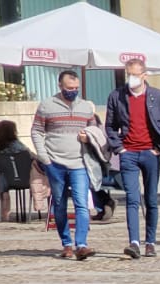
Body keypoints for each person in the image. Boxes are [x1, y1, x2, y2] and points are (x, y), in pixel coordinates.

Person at [104, 58, 160, 259]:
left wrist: (158, 149)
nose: (131, 79)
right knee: (132, 198)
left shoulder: (158, 96)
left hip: (149, 153)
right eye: (129, 75)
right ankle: (134, 242)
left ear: (144, 75)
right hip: (128, 154)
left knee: (151, 199)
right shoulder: (117, 96)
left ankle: (150, 242)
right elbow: (109, 126)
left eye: (135, 75)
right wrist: (119, 148)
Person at [31, 70, 98, 261]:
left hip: (79, 163)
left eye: (76, 88)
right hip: (55, 162)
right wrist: (44, 158)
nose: (73, 91)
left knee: (81, 203)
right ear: (60, 86)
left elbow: (95, 131)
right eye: (69, 88)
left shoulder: (85, 107)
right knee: (59, 204)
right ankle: (66, 244)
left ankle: (82, 244)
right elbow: (36, 131)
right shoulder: (47, 106)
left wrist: (89, 137)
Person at [0, 119, 20, 222]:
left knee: (2, 178)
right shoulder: (17, 145)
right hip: (20, 178)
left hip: (3, 177)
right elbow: (30, 155)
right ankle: (6, 214)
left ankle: (1, 213)